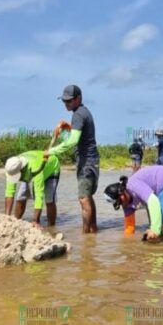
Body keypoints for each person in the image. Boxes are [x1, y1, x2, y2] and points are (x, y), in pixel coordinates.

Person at [46, 85, 100, 233]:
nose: (66, 104)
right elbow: (78, 133)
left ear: (78, 98)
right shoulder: (83, 112)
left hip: (86, 163)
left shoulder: (78, 114)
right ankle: (93, 231)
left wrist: (52, 151)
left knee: (83, 199)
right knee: (88, 197)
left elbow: (73, 140)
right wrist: (67, 127)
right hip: (93, 160)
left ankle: (86, 237)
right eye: (64, 101)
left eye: (69, 101)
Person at [103, 165, 163, 244]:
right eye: (117, 204)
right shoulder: (126, 204)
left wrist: (154, 230)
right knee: (157, 227)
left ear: (121, 192)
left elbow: (153, 202)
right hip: (161, 191)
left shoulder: (132, 184)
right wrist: (126, 245)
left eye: (119, 201)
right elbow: (129, 227)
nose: (121, 205)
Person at [4, 150, 60, 226]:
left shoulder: (36, 169)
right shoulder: (12, 166)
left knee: (49, 199)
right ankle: (16, 221)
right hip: (30, 168)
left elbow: (39, 195)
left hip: (52, 168)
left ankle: (51, 227)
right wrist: (6, 218)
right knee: (21, 197)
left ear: (21, 171)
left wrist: (35, 220)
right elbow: (9, 192)